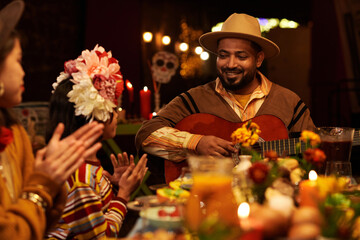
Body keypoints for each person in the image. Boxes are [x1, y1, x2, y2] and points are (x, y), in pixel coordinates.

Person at [135, 13, 316, 183]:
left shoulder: (288, 102)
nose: (230, 64)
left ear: (259, 59)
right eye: (223, 55)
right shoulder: (194, 99)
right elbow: (145, 135)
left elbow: (314, 153)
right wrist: (195, 143)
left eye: (241, 56)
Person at [0, 1, 105, 239]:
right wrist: (42, 184)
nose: (23, 71)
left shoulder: (15, 134)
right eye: (17, 60)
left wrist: (53, 180)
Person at [45, 45, 148, 239]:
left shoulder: (85, 168)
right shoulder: (80, 175)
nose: (117, 114)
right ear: (94, 114)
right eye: (112, 108)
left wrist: (114, 186)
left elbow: (94, 214)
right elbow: (102, 236)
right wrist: (124, 195)